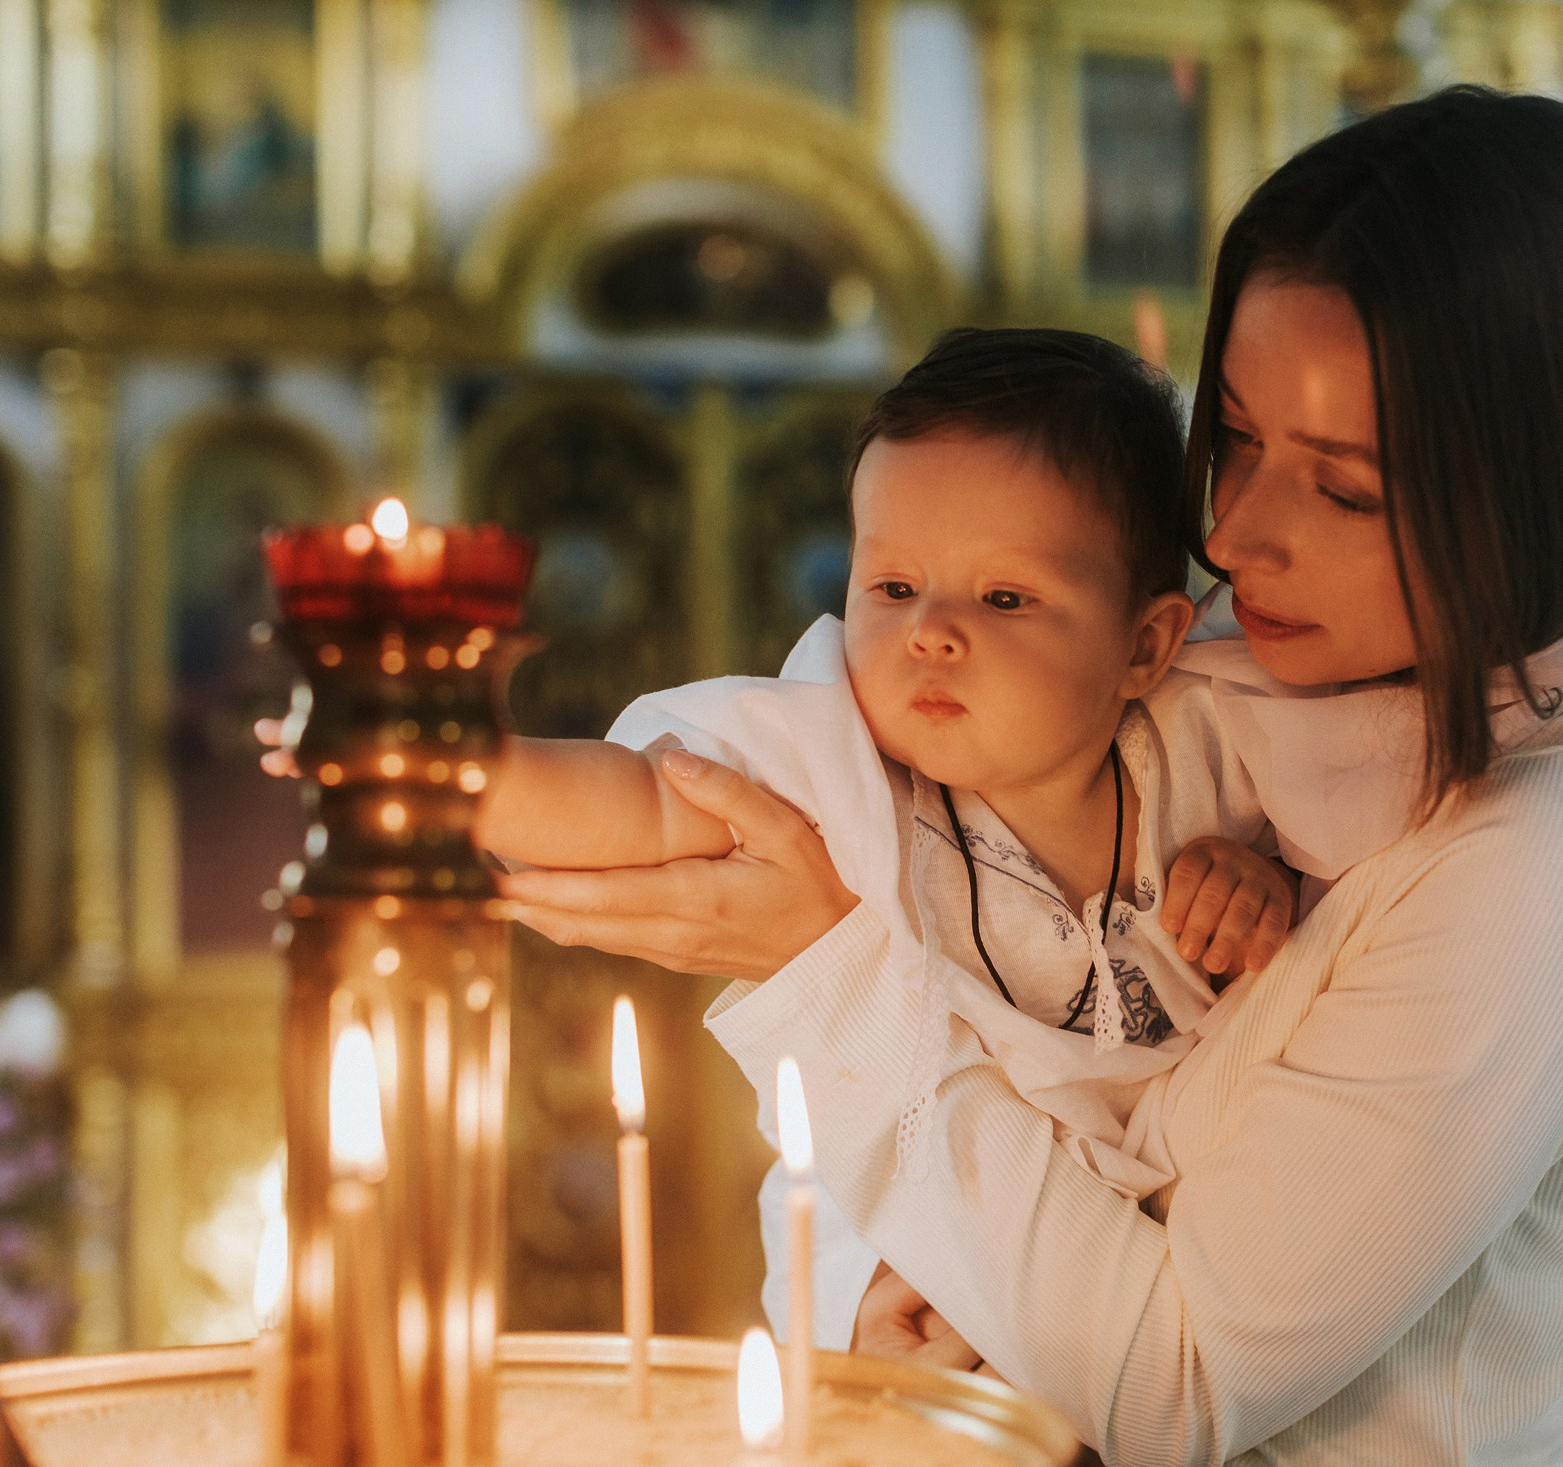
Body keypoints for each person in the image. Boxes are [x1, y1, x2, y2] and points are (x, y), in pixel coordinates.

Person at [500, 86, 1563, 1465]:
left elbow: (1171, 1387)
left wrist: (825, 967)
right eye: (1236, 439)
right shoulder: (1257, 691)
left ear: (1537, 479)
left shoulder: (1556, 856)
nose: (1237, 532)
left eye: (1348, 488)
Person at [469, 327, 1302, 1342]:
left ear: (1144, 644)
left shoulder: (1218, 746)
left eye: (1004, 598)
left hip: (1161, 1250)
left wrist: (1252, 880)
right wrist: (454, 772)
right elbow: (646, 804)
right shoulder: (840, 765)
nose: (930, 632)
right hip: (903, 1236)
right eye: (894, 588)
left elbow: (1337, 864)